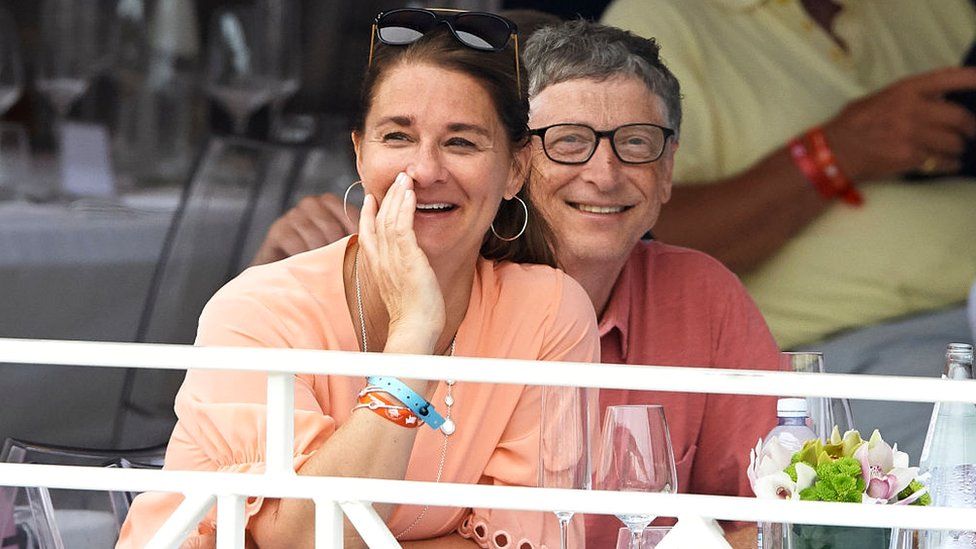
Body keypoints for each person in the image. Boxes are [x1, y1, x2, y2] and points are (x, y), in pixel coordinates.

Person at [251, 18, 781, 548]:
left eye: (637, 143)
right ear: (515, 162)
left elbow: (774, 517)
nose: (604, 174)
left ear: (667, 171)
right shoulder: (419, 271)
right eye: (569, 142)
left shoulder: (703, 297)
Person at [117, 10, 601, 548]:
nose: (423, 169)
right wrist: (413, 332)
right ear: (359, 153)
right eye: (398, 136)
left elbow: (537, 537)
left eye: (461, 142)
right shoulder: (258, 310)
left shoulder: (550, 311)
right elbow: (309, 538)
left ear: (515, 169)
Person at [600, 0, 976, 459]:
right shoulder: (661, 18)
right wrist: (835, 153)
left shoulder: (938, 9)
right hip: (831, 358)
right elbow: (639, 235)